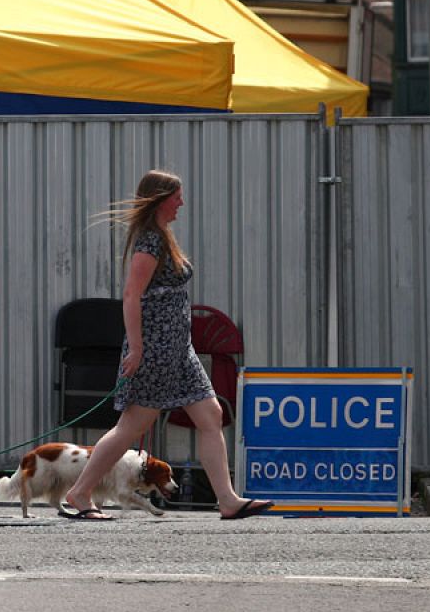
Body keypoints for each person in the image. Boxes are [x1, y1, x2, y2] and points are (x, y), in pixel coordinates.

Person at [58, 169, 273, 522]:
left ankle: (227, 499)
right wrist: (138, 349)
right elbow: (131, 295)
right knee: (132, 427)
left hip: (178, 350)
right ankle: (80, 492)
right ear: (160, 200)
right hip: (156, 349)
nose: (181, 204)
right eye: (177, 197)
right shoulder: (150, 242)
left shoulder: (162, 236)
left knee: (211, 415)